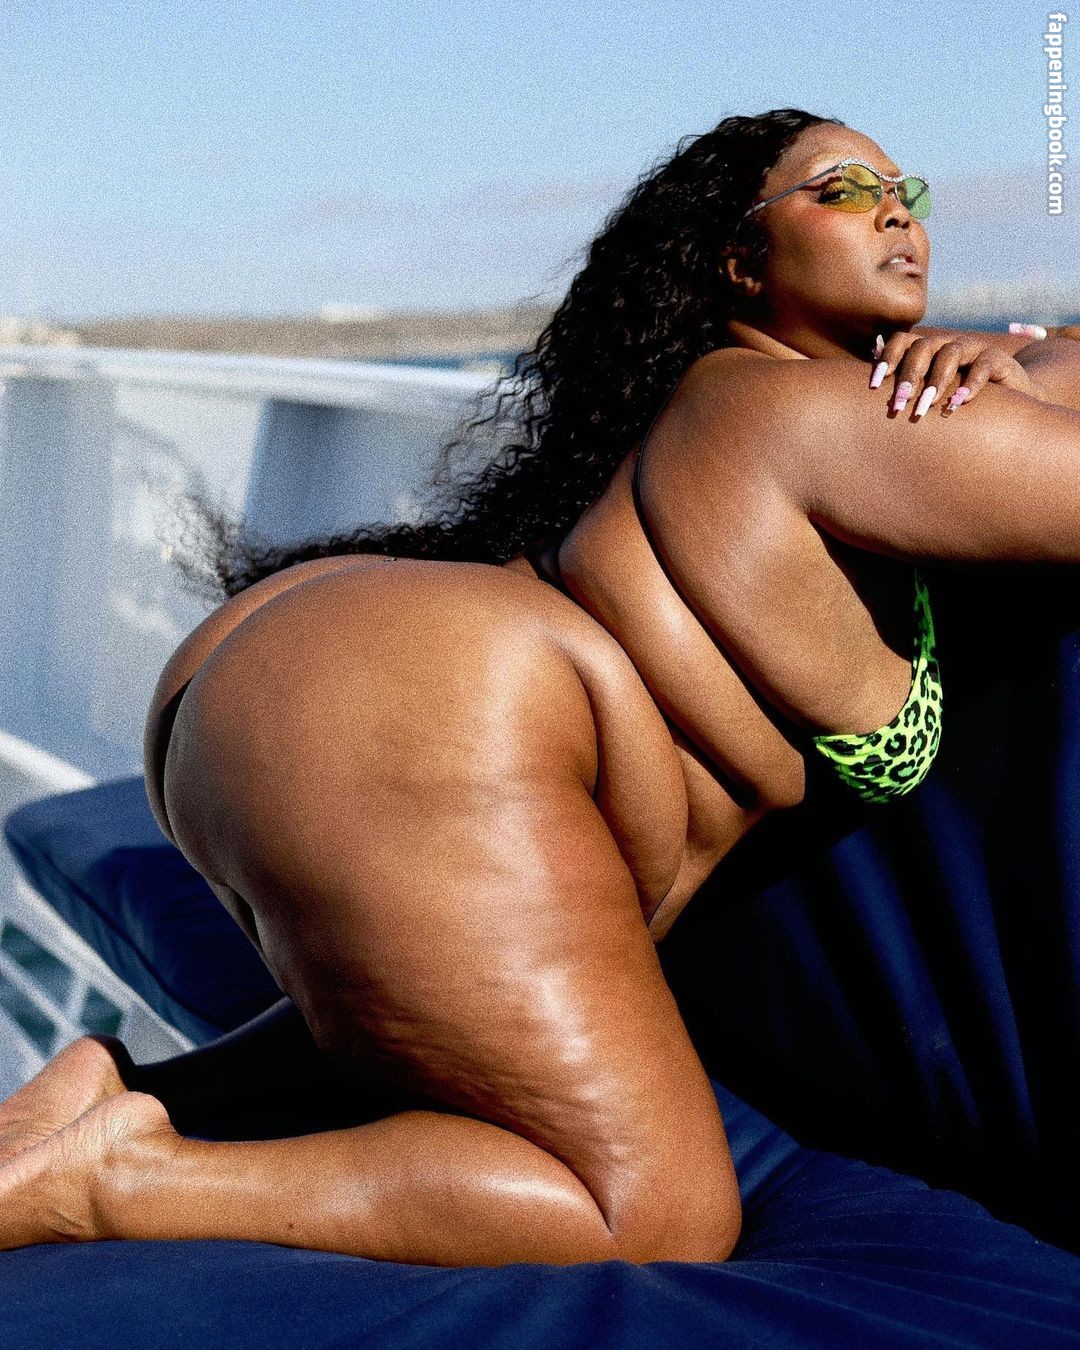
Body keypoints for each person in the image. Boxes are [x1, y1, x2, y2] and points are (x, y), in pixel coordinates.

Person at [0, 107, 1078, 1266]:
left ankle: (116, 1095)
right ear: (739, 258)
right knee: (650, 1212)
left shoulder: (717, 404)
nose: (897, 212)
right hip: (420, 711)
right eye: (845, 190)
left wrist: (1027, 349)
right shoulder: (818, 418)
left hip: (313, 679)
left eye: (907, 191)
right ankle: (109, 1182)